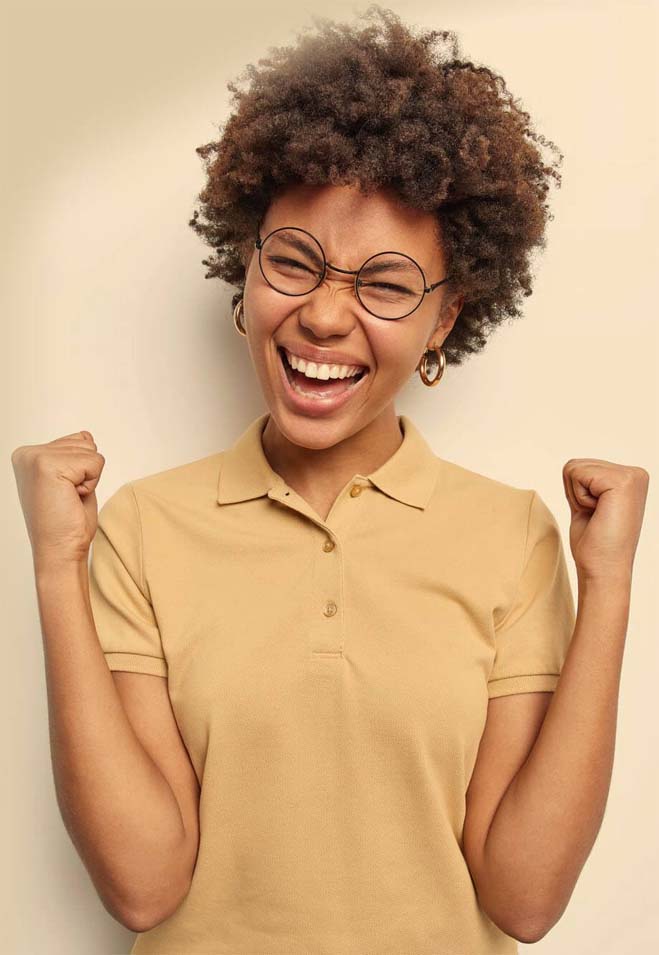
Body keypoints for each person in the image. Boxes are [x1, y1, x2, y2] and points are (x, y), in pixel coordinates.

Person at [14, 5, 638, 954]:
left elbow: (525, 898)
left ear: (443, 318)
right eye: (295, 263)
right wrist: (58, 564)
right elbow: (142, 888)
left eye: (385, 285)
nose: (323, 317)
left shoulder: (511, 535)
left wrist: (609, 586)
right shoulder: (142, 526)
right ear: (246, 268)